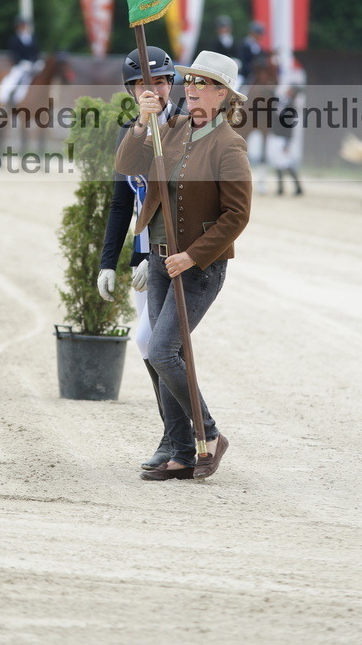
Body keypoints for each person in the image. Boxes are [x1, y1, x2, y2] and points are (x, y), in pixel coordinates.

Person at [115, 50, 251, 481]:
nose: (190, 88)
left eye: (201, 82)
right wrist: (142, 123)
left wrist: (192, 255)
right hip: (158, 261)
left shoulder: (230, 144)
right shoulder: (170, 129)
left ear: (222, 94)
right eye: (189, 81)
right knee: (161, 355)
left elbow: (237, 215)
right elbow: (126, 165)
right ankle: (179, 450)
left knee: (161, 351)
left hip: (198, 269)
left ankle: (208, 434)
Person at [96, 47, 183, 471]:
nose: (154, 90)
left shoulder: (187, 129)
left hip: (176, 256)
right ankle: (178, 437)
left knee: (154, 343)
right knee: (152, 344)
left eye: (162, 82)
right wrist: (108, 261)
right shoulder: (127, 134)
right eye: (144, 85)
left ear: (171, 85)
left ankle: (180, 436)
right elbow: (120, 204)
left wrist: (159, 252)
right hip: (142, 260)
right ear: (131, 90)